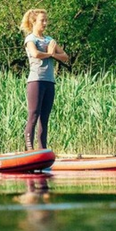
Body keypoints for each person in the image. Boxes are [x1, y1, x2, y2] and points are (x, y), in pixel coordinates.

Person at [20, 9, 69, 151]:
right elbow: (35, 53)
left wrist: (53, 54)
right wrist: (49, 53)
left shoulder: (49, 40)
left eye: (46, 20)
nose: (45, 23)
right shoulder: (30, 39)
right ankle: (29, 150)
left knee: (45, 117)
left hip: (49, 81)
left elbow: (65, 56)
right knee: (34, 114)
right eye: (42, 20)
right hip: (36, 80)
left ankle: (42, 150)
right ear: (33, 22)